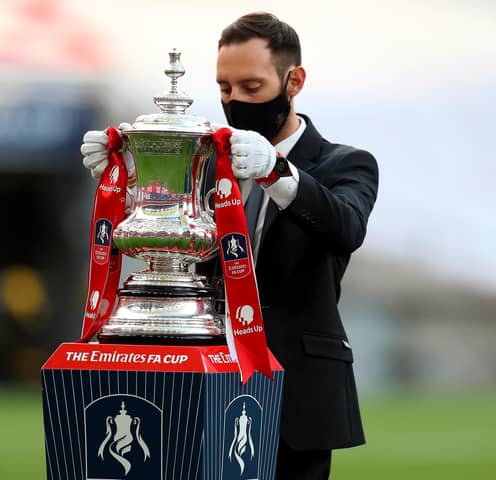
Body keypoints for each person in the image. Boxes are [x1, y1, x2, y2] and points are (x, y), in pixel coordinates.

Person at [81, 11, 378, 479]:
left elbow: (345, 228)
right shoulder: (204, 162)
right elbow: (172, 245)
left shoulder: (346, 163)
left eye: (251, 87)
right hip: (201, 375)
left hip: (294, 389)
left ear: (293, 80)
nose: (235, 100)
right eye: (224, 88)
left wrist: (278, 172)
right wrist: (129, 179)